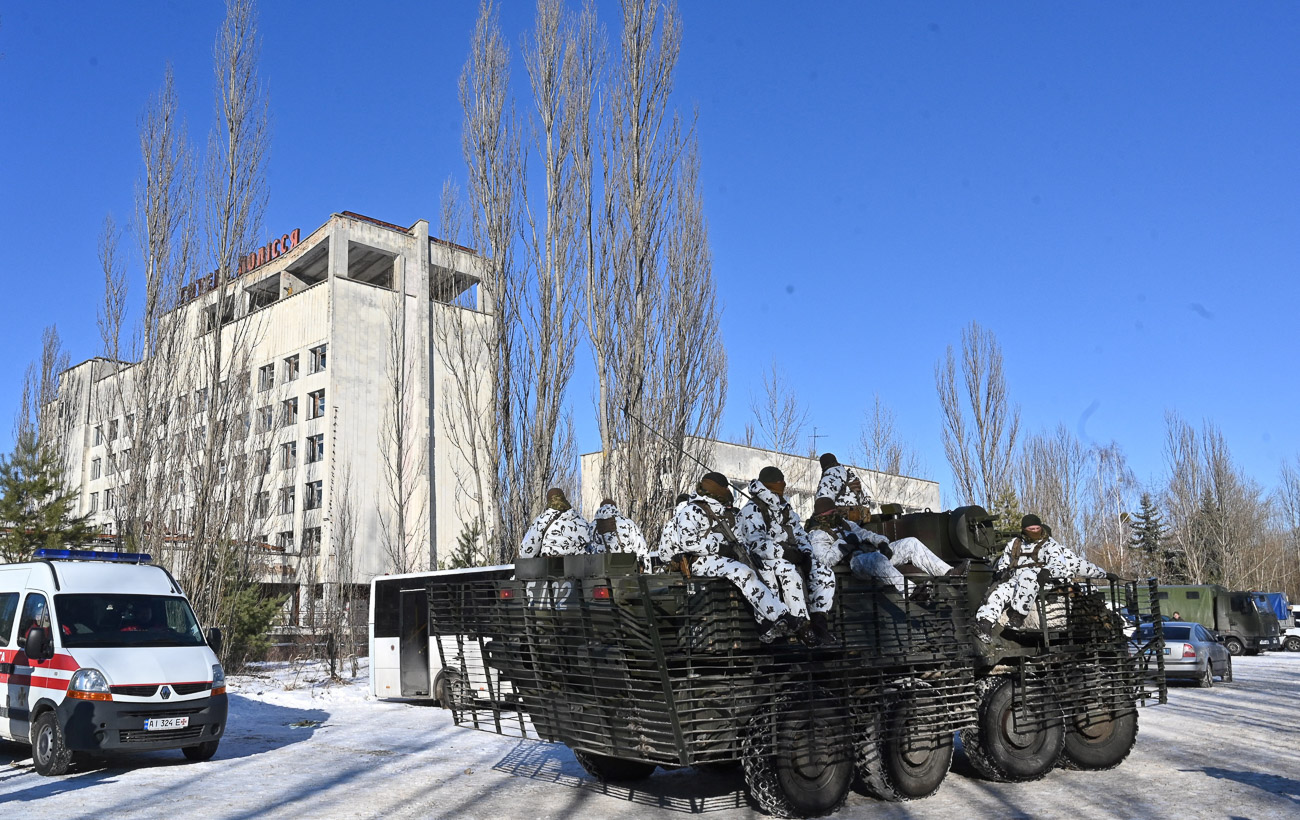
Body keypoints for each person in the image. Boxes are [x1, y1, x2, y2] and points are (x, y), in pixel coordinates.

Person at [667, 471, 806, 643]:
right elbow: (688, 543)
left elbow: (738, 537)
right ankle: (780, 615)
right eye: (725, 488)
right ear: (717, 489)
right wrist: (720, 549)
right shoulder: (692, 510)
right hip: (700, 560)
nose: (727, 492)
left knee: (762, 569)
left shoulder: (724, 512)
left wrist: (749, 553)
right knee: (741, 571)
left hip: (725, 557)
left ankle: (767, 626)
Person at [975, 514, 1116, 642]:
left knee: (1028, 576)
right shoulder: (1014, 544)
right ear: (1024, 529)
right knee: (999, 592)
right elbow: (1004, 563)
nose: (1035, 531)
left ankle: (1017, 616)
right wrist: (1001, 572)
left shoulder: (1051, 545)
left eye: (1037, 528)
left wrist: (1104, 574)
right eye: (1031, 528)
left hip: (1045, 581)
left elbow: (1075, 564)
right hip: (1016, 581)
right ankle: (985, 623)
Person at [738, 466, 832, 645]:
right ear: (772, 484)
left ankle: (820, 622)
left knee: (825, 574)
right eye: (780, 481)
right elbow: (756, 543)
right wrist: (786, 553)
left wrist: (805, 553)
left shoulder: (784, 508)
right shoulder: (753, 509)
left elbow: (799, 533)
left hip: (792, 554)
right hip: (766, 558)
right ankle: (802, 626)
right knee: (789, 572)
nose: (784, 484)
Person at [518, 488, 592, 558]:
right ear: (564, 499)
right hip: (581, 568)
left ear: (548, 501)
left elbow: (528, 553)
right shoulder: (581, 520)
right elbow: (591, 547)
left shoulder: (542, 520)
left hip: (551, 568)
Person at [592, 499, 653, 571]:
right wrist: (646, 575)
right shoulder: (628, 523)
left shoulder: (592, 526)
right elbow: (642, 551)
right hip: (626, 574)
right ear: (615, 507)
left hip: (598, 573)